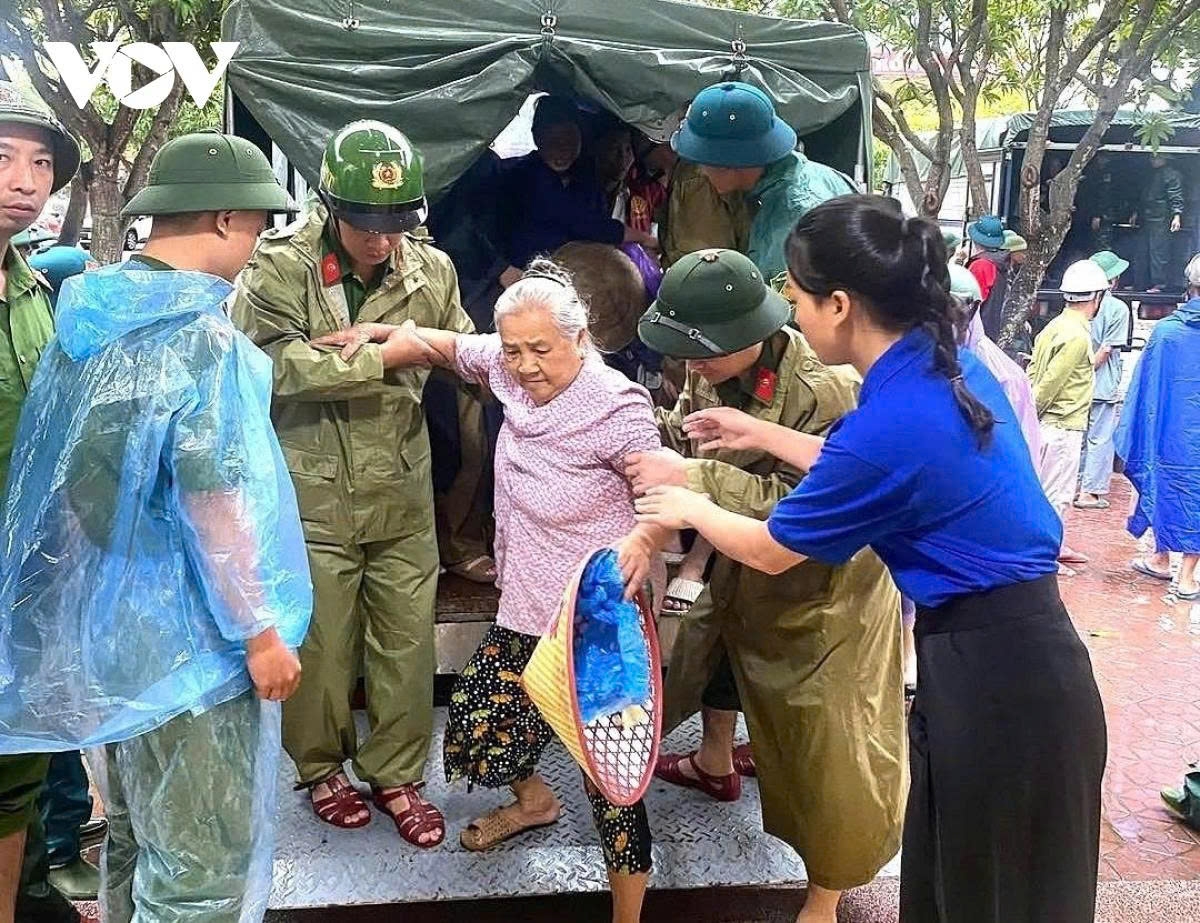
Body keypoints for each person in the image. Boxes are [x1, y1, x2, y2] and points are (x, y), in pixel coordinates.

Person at [634, 196, 1107, 923]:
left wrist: (689, 502)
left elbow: (769, 549)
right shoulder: (940, 364)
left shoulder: (890, 416)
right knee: (957, 883)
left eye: (796, 296)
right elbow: (873, 462)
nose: (790, 311)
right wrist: (764, 433)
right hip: (1016, 658)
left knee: (990, 897)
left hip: (1001, 685)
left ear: (841, 304)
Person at [0, 131, 310, 922]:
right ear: (224, 218)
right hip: (192, 645)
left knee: (135, 837)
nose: (253, 243)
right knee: (198, 868)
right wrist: (260, 633)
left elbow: (65, 479)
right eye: (255, 226)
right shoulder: (201, 343)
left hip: (115, 635)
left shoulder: (86, 317)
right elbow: (214, 503)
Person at [312, 259, 669, 923]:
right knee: (476, 726)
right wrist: (376, 332)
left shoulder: (618, 407)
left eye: (543, 349)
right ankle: (534, 800)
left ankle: (628, 916)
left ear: (581, 338)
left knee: (612, 783)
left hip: (594, 620)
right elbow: (444, 344)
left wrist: (646, 541)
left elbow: (662, 491)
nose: (527, 364)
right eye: (514, 348)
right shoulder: (505, 369)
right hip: (525, 606)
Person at [627, 248, 904, 923]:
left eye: (702, 355)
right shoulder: (712, 366)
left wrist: (689, 481)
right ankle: (715, 758)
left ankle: (826, 896)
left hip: (822, 597)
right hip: (737, 567)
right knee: (712, 658)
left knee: (827, 749)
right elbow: (696, 442)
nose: (691, 370)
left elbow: (800, 509)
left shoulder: (826, 388)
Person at [232, 120, 461, 845]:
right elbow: (265, 366)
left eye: (396, 224)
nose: (380, 240)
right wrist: (384, 359)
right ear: (330, 205)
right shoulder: (279, 267)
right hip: (313, 490)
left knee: (406, 640)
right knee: (323, 643)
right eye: (366, 222)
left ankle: (397, 772)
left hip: (401, 485)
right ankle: (321, 766)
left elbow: (459, 346)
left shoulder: (432, 270)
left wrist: (415, 344)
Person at [0, 80, 81, 923]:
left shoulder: (32, 289)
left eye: (41, 162)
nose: (26, 180)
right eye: (4, 159)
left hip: (23, 582)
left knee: (18, 765)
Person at [22, 242, 104, 905]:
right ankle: (52, 848)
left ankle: (57, 844)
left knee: (57, 707)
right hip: (31, 559)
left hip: (54, 557)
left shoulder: (59, 339)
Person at [671, 81, 856, 278]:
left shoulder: (791, 221)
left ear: (729, 163)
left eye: (704, 161)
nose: (702, 172)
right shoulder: (818, 175)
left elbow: (789, 306)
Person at [497, 96, 657, 285]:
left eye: (569, 139)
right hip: (528, 277)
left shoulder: (586, 177)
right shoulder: (523, 175)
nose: (562, 149)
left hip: (580, 274)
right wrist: (645, 239)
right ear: (536, 137)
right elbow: (583, 223)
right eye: (553, 140)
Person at [1115, 253, 1200, 600]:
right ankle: (1187, 575)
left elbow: (1145, 391)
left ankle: (1163, 559)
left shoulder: (1165, 333)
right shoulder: (1166, 332)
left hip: (1166, 432)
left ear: (1189, 285)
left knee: (1160, 483)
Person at [1027, 259, 1109, 575]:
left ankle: (1053, 548)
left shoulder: (1055, 327)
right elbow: (1050, 384)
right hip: (1062, 426)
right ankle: (1045, 558)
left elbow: (1034, 373)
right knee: (1056, 496)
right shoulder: (1077, 336)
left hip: (1048, 425)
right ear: (1096, 297)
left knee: (1046, 490)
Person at [1076, 250, 1131, 510]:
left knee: (1079, 435)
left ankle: (1076, 484)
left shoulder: (1078, 305)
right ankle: (1091, 491)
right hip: (1101, 383)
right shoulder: (1118, 308)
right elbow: (1107, 349)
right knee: (1099, 438)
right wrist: (1089, 370)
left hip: (1078, 383)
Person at [1133, 155, 1185, 292]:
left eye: (1156, 158)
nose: (1152, 160)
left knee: (1159, 253)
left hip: (1162, 219)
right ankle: (1140, 283)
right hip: (1147, 218)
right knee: (1142, 251)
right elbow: (1143, 196)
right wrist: (1136, 213)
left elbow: (1176, 196)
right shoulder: (1150, 174)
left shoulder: (1172, 175)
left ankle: (1160, 284)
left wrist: (1176, 215)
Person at [966, 214, 1009, 338]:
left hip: (976, 334)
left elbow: (972, 303)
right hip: (990, 330)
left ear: (974, 239)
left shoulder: (981, 265)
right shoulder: (999, 261)